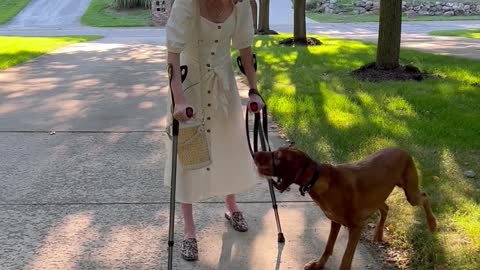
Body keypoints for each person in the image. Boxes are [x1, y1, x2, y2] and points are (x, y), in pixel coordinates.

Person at [164, 0, 264, 261]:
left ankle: (231, 206)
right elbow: (173, 53)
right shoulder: (188, 3)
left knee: (227, 145)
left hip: (223, 87)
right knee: (189, 155)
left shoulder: (241, 5)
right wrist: (178, 99)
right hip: (188, 87)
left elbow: (245, 51)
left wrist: (254, 89)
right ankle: (189, 231)